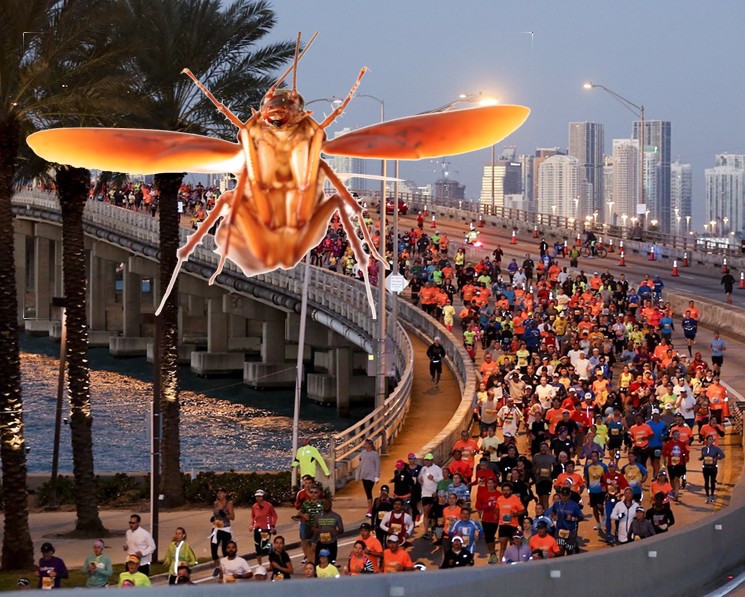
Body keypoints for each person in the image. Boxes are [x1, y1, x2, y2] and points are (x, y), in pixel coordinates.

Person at [210, 487, 234, 572]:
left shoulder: (229, 504)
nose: (219, 494)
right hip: (216, 528)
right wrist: (213, 518)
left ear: (225, 494)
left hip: (225, 529)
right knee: (213, 551)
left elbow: (232, 517)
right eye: (218, 493)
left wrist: (224, 514)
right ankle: (217, 567)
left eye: (221, 493)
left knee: (225, 551)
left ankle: (226, 568)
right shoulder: (215, 503)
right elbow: (215, 513)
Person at [251, 489, 278, 566]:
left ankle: (270, 547)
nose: (258, 498)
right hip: (257, 529)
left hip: (265, 529)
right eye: (257, 496)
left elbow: (274, 516)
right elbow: (253, 517)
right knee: (257, 547)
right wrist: (251, 525)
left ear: (263, 497)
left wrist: (272, 526)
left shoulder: (268, 506)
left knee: (265, 548)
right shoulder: (254, 506)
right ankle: (260, 565)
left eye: (260, 496)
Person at [314, 499, 344, 563]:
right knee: (318, 562)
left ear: (331, 505)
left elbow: (341, 529)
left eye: (328, 504)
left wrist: (336, 532)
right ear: (322, 505)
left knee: (331, 561)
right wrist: (315, 530)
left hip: (332, 542)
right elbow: (313, 527)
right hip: (321, 542)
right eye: (324, 504)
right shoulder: (318, 516)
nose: (326, 506)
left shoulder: (336, 516)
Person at [356, 439, 381, 517]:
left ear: (370, 445)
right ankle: (370, 509)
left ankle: (370, 509)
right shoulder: (363, 454)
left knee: (369, 491)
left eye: (366, 444)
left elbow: (377, 466)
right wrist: (357, 476)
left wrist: (377, 476)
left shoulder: (374, 454)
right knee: (368, 493)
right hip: (364, 475)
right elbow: (360, 466)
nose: (364, 445)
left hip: (371, 476)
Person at [701, 434, 726, 503]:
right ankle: (707, 496)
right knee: (706, 482)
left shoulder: (716, 448)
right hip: (705, 467)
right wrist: (701, 458)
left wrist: (716, 458)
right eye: (709, 439)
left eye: (712, 440)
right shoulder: (703, 449)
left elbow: (723, 455)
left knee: (712, 481)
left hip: (713, 467)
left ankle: (712, 495)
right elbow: (703, 456)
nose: (710, 441)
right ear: (706, 440)